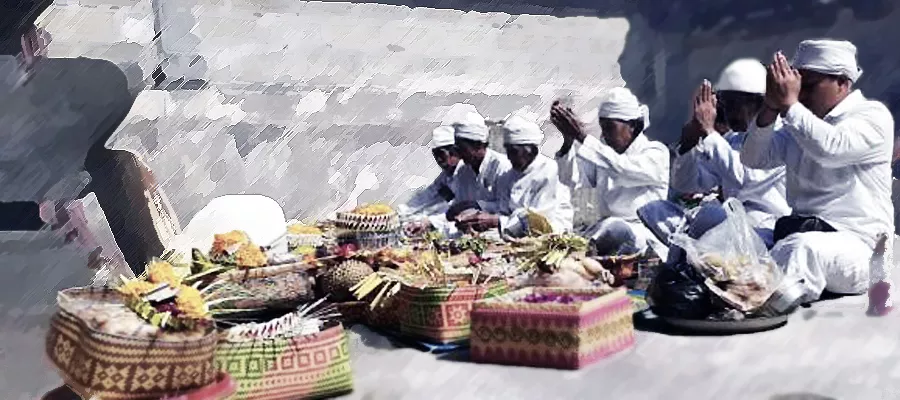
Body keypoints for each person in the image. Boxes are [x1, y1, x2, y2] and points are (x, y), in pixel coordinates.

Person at [740, 39, 894, 313]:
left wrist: (789, 106)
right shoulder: (800, 122)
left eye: (807, 86)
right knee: (735, 236)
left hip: (861, 247)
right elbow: (753, 158)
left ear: (843, 83)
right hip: (803, 233)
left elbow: (831, 148)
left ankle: (754, 306)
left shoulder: (872, 116)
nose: (800, 94)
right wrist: (770, 108)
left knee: (803, 249)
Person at [671, 59, 791, 248]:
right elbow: (687, 184)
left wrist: (710, 134)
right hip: (735, 226)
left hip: (769, 229)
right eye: (724, 103)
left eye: (734, 103)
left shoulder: (781, 136)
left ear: (758, 102)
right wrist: (688, 145)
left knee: (710, 218)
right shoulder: (732, 141)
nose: (728, 112)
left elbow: (744, 175)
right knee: (660, 212)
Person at [551, 87, 670, 258]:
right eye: (603, 128)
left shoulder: (656, 152)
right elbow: (574, 182)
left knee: (615, 228)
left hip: (641, 235)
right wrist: (568, 142)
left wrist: (582, 136)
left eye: (610, 128)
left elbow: (622, 169)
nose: (605, 135)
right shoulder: (602, 154)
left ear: (632, 126)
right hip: (604, 229)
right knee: (564, 230)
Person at [456, 114, 574, 237]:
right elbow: (503, 207)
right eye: (508, 151)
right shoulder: (509, 176)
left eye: (514, 152)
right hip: (516, 234)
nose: (509, 157)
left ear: (530, 150)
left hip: (550, 235)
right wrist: (477, 210)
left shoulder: (549, 171)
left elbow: (539, 221)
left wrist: (496, 221)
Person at [444, 108, 513, 226]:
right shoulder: (462, 171)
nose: (459, 154)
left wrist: (477, 205)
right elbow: (459, 205)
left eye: (462, 149)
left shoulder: (503, 167)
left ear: (478, 145)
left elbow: (509, 208)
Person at [399, 125, 461, 236]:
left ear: (455, 152)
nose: (439, 160)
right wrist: (399, 213)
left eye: (441, 155)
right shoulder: (446, 175)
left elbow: (463, 211)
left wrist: (429, 222)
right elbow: (426, 196)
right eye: (435, 155)